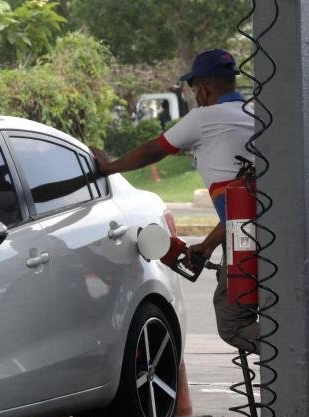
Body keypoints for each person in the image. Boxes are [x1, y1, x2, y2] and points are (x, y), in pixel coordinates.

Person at [93, 49, 258, 353]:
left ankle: (291, 354)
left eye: (195, 90)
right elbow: (249, 203)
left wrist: (109, 167)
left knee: (234, 321)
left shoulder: (204, 118)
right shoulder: (257, 114)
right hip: (251, 229)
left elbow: (154, 149)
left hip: (245, 240)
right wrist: (207, 245)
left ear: (202, 89)